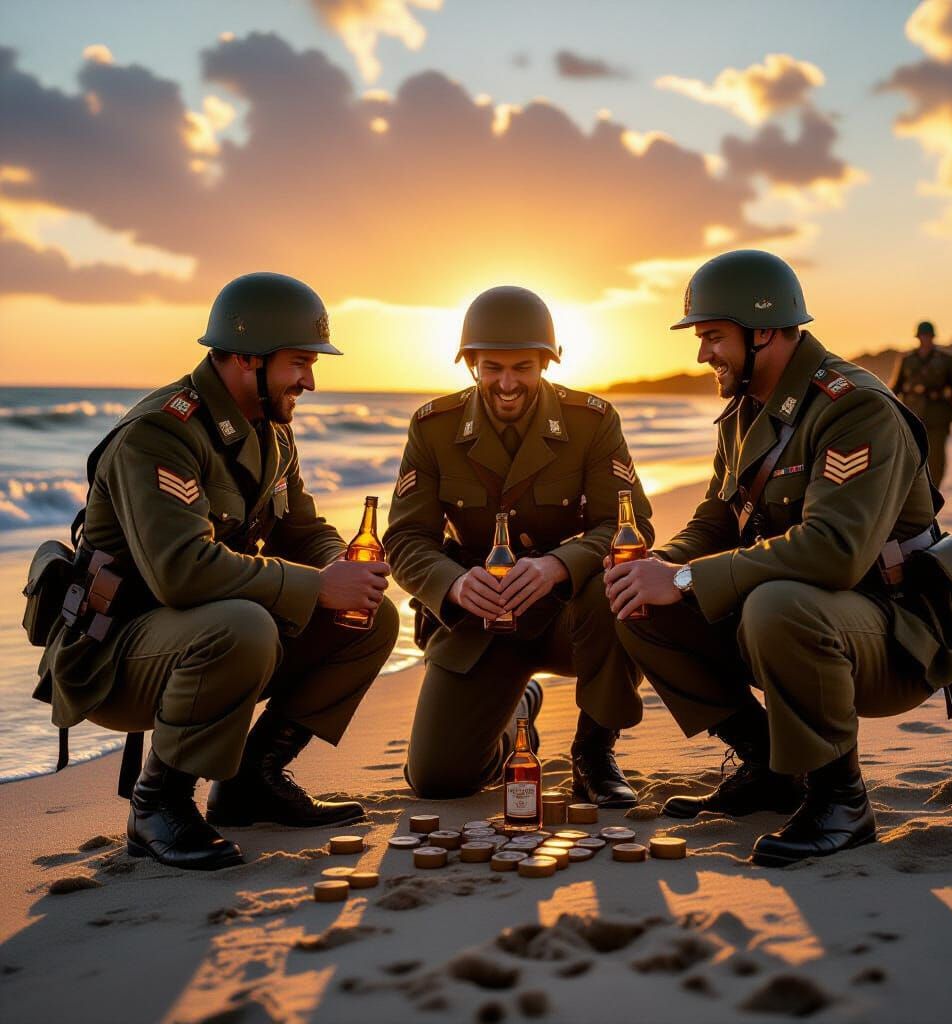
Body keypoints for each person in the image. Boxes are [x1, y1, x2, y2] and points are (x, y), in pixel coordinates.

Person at [604, 250, 952, 867]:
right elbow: (717, 520)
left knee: (775, 604)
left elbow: (834, 551)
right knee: (638, 601)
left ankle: (841, 801)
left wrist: (685, 578)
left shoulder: (854, 405)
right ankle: (773, 770)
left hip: (893, 633)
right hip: (802, 623)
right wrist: (657, 567)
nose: (703, 354)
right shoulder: (745, 409)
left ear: (764, 331)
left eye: (713, 336)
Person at [36, 273, 400, 870]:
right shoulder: (160, 433)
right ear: (246, 357)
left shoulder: (271, 431)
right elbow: (181, 573)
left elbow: (303, 529)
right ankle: (157, 805)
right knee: (244, 625)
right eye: (299, 363)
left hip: (198, 639)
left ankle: (252, 781)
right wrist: (317, 587)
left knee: (370, 615)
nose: (310, 381)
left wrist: (342, 567)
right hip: (115, 654)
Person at [384, 285, 653, 806]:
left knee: (622, 585)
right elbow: (406, 538)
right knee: (438, 779)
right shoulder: (433, 427)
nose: (507, 384)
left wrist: (558, 566)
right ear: (471, 365)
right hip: (479, 618)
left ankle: (594, 752)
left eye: (522, 368)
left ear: (546, 362)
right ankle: (519, 710)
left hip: (569, 615)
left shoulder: (591, 421)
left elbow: (630, 524)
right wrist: (454, 585)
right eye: (493, 368)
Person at [889, 321, 952, 487]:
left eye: (928, 336)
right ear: (918, 337)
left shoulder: (946, 360)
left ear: (933, 337)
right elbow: (895, 389)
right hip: (913, 417)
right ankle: (918, 494)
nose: (925, 339)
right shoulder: (907, 360)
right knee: (914, 458)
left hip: (938, 418)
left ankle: (933, 494)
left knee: (936, 460)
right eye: (922, 336)